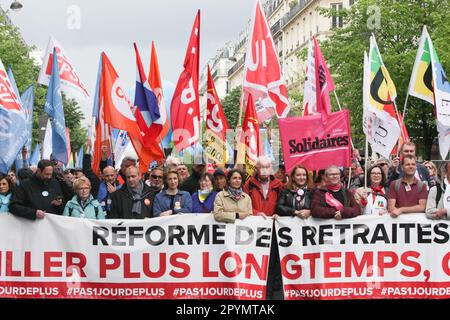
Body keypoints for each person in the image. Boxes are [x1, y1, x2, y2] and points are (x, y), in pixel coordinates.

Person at [244, 156, 283, 300]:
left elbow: (282, 204)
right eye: (262, 167)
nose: (266, 170)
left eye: (268, 167)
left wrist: (278, 214)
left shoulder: (279, 185)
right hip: (255, 229)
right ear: (256, 169)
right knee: (258, 261)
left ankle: (274, 293)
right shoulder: (249, 185)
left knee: (274, 260)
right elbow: (244, 205)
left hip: (274, 228)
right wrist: (255, 213)